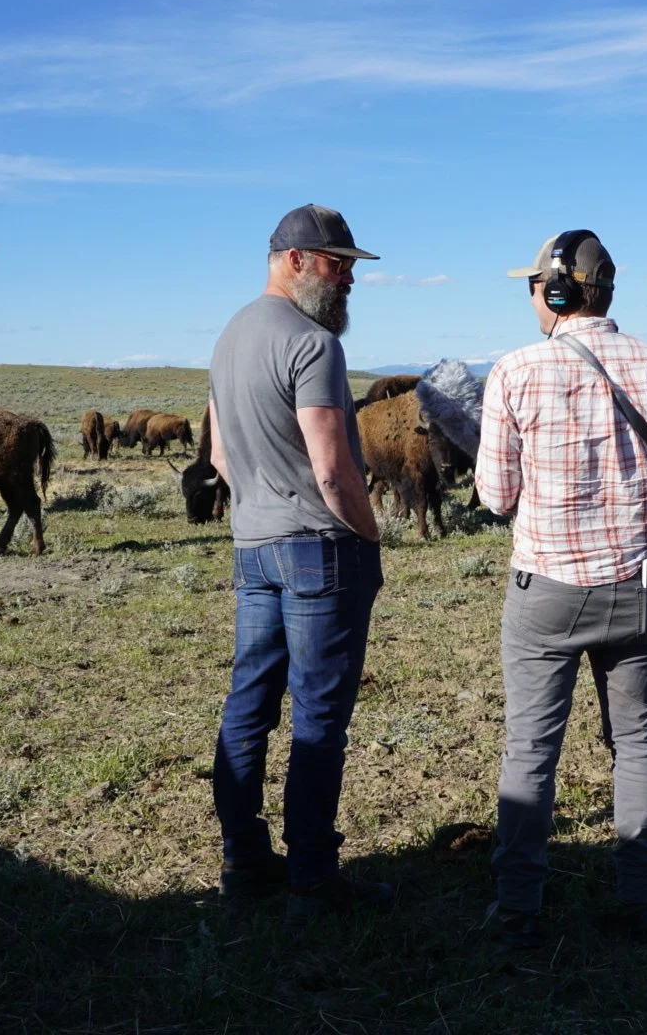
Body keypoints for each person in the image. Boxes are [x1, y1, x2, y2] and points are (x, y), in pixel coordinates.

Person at [475, 230, 647, 946]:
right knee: (638, 737)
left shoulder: (515, 371)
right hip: (637, 587)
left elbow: (494, 494)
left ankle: (519, 906)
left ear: (554, 291)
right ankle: (641, 897)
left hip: (545, 591)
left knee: (530, 746)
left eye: (533, 284)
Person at [208, 203, 391, 923]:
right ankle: (313, 881)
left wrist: (260, 503)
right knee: (318, 717)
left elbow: (220, 456)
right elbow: (334, 471)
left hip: (253, 547)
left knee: (248, 705)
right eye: (337, 264)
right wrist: (369, 538)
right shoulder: (314, 347)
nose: (348, 280)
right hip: (319, 550)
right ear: (294, 260)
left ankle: (244, 862)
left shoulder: (227, 340)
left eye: (350, 267)